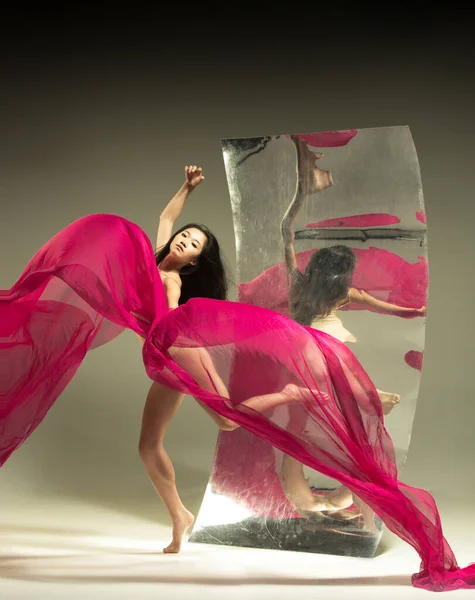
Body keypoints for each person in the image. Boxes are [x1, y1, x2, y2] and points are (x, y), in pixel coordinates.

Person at [1, 164, 474, 591]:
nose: (184, 242)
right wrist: (185, 188)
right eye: (185, 238)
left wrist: (157, 320)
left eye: (194, 246)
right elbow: (165, 221)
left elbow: (166, 324)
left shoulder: (170, 281)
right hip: (167, 359)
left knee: (227, 419)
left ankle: (289, 392)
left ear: (191, 264)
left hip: (176, 348)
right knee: (149, 444)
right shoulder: (154, 258)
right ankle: (180, 517)